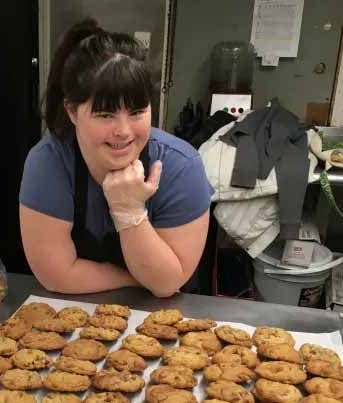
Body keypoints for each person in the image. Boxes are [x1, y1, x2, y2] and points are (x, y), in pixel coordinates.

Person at [19, 19, 212, 297]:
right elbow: (56, 275)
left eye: (136, 112)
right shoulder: (49, 163)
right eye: (105, 115)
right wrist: (141, 278)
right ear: (72, 112)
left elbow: (168, 283)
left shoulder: (182, 167)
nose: (123, 131)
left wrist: (129, 211)